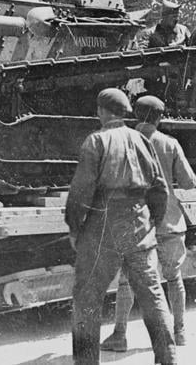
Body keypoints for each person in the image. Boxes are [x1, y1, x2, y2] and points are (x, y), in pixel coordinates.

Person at [66, 88, 176, 365]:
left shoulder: (96, 141)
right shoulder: (141, 139)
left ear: (102, 111)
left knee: (87, 297)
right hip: (138, 221)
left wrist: (74, 228)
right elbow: (159, 188)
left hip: (103, 222)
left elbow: (81, 192)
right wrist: (154, 220)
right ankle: (169, 358)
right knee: (152, 294)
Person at [100, 95, 196, 352]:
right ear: (160, 118)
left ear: (134, 116)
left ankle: (119, 335)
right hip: (169, 222)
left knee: (126, 282)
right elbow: (189, 181)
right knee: (174, 278)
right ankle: (180, 332)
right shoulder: (170, 143)